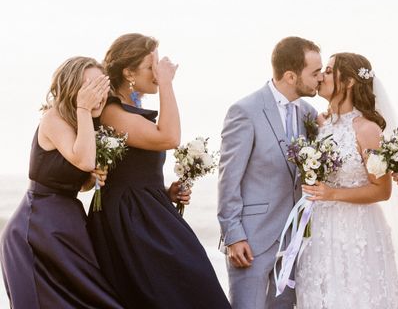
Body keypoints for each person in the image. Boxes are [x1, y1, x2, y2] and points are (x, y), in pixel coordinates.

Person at [87, 33, 230, 308]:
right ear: (128, 72)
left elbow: (134, 168)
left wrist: (165, 192)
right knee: (172, 291)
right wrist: (166, 84)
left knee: (195, 284)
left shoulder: (128, 108)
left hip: (148, 209)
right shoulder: (111, 111)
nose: (158, 72)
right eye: (150, 66)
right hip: (130, 220)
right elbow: (169, 137)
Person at [0, 56, 123, 308]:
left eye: (102, 86)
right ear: (73, 88)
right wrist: (84, 110)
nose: (99, 95)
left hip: (67, 221)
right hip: (36, 226)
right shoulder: (53, 119)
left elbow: (80, 184)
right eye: (91, 88)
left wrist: (92, 179)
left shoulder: (84, 123)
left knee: (92, 297)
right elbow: (85, 160)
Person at [218, 36, 322, 309]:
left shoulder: (310, 114)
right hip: (252, 239)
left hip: (295, 241)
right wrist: (234, 234)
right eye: (315, 72)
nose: (320, 79)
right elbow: (229, 177)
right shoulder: (245, 110)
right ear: (290, 75)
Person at [295, 52, 398, 309]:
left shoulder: (368, 130)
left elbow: (382, 190)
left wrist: (332, 194)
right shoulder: (320, 125)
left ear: (351, 81)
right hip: (319, 229)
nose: (321, 76)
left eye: (330, 71)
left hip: (356, 231)